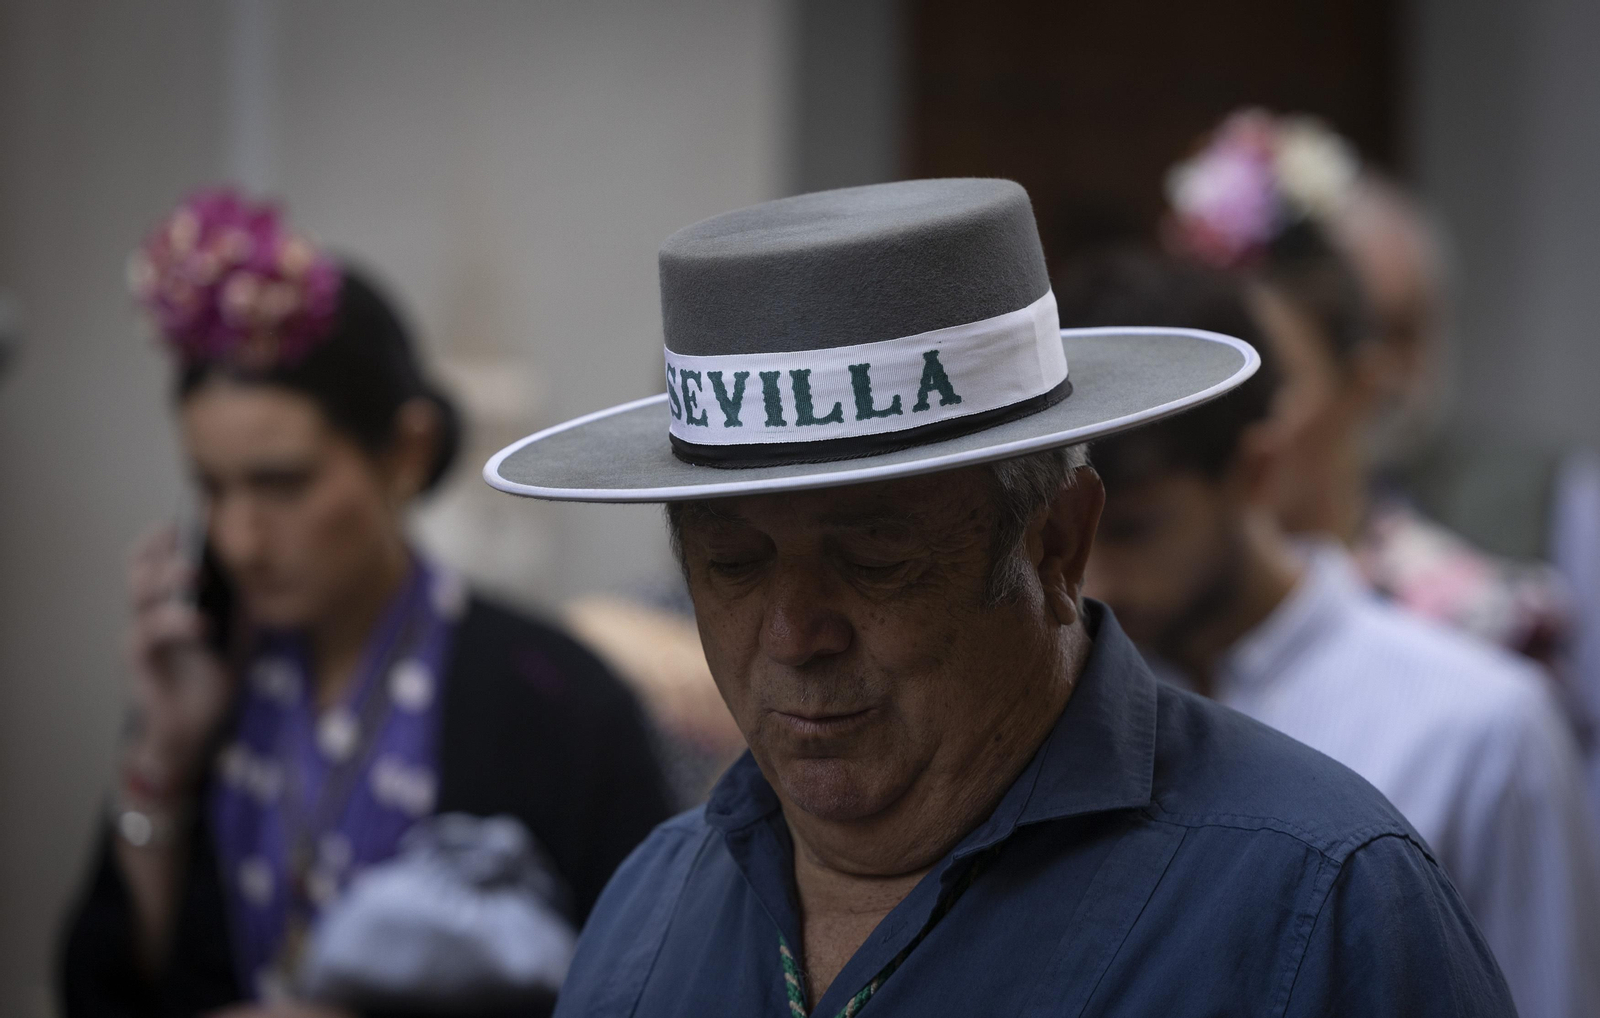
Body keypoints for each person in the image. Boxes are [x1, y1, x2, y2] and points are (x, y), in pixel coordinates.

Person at [481, 178, 1515, 1016]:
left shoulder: (1313, 902)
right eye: (733, 565)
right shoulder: (650, 914)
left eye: (875, 559)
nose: (794, 633)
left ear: (1058, 544)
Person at [58, 190, 673, 1018]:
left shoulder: (557, 699)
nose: (238, 537)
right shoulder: (210, 687)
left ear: (406, 452)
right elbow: (98, 989)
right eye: (210, 488)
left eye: (282, 483)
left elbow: (650, 990)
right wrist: (161, 762)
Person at [1066, 251, 1600, 1018]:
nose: (1099, 582)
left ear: (1253, 470)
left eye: (1136, 530)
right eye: (1070, 537)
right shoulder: (1064, 709)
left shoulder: (1482, 728)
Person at [1164, 108, 1570, 665]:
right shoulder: (1157, 614)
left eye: (1274, 383)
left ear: (1361, 383)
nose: (1240, 421)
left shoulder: (1475, 621)